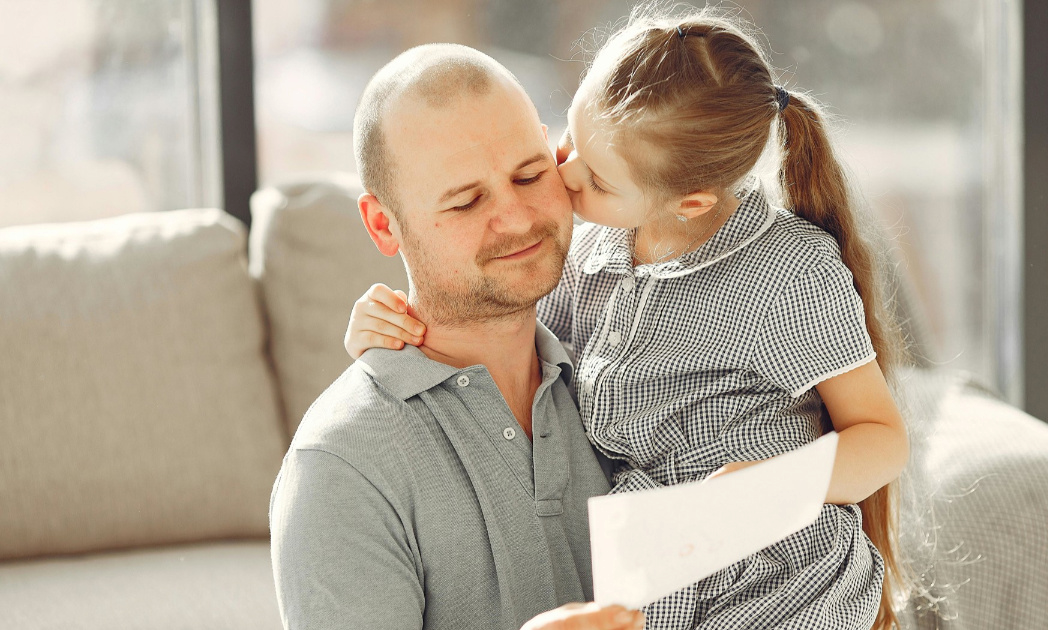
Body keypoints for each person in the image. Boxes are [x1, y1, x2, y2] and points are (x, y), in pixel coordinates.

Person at [344, 6, 910, 630]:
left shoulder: (787, 272)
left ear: (689, 202)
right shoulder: (589, 254)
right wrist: (388, 324)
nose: (563, 177)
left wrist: (765, 487)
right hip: (659, 570)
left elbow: (882, 440)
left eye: (600, 180)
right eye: (568, 144)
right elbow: (494, 331)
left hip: (782, 574)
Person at [268, 43, 644, 630]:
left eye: (530, 173)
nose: (518, 218)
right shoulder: (343, 467)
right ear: (382, 225)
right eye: (466, 202)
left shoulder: (631, 354)